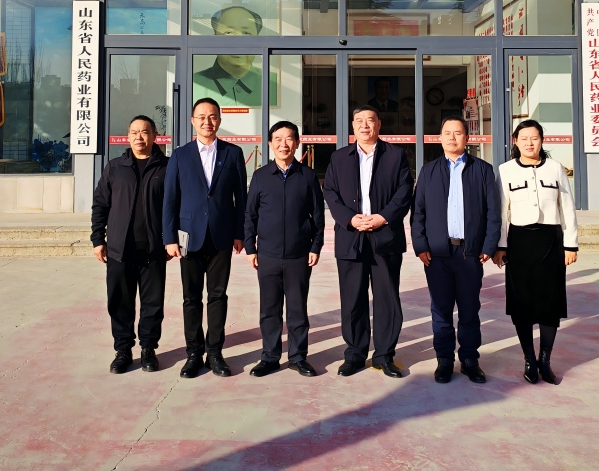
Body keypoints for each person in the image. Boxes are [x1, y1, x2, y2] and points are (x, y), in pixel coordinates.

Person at [323, 106, 414, 378]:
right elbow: (330, 192)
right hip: (350, 237)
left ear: (379, 124)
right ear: (353, 126)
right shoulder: (339, 158)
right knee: (353, 299)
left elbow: (404, 191)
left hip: (384, 236)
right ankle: (354, 354)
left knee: (387, 299)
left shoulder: (395, 155)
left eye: (370, 120)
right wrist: (350, 219)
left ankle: (384, 356)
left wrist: (383, 217)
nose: (365, 125)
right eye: (359, 121)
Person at [412, 117, 501, 384]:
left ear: (467, 137)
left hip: (469, 253)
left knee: (469, 310)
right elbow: (418, 213)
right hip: (437, 254)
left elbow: (493, 213)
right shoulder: (428, 171)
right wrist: (420, 245)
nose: (452, 138)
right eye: (447, 133)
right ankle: (444, 360)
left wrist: (488, 246)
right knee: (440, 310)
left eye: (458, 133)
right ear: (439, 138)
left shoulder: (482, 170)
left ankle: (470, 359)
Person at [163, 97, 248, 379]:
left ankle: (215, 353)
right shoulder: (180, 155)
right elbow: (170, 200)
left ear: (219, 121)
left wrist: (240, 233)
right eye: (201, 117)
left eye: (212, 117)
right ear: (192, 121)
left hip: (222, 236)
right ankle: (193, 354)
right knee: (191, 298)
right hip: (188, 237)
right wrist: (169, 237)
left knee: (217, 295)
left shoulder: (233, 153)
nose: (207, 122)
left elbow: (241, 198)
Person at [493, 119, 578, 385]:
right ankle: (529, 359)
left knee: (550, 303)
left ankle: (545, 360)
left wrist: (570, 244)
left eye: (535, 138)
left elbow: (567, 207)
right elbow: (501, 212)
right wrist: (500, 246)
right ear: (515, 141)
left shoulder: (555, 168)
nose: (530, 143)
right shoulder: (505, 170)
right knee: (522, 305)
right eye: (524, 138)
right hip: (519, 243)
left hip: (551, 241)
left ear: (542, 140)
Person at [244, 120, 326, 378]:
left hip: (298, 255)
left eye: (289, 138)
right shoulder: (260, 177)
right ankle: (269, 357)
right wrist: (250, 248)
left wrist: (315, 246)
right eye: (277, 139)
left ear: (297, 143)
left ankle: (298, 357)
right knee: (269, 310)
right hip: (267, 255)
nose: (283, 144)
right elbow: (250, 216)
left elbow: (318, 216)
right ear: (270, 144)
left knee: (297, 310)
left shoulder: (307, 176)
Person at [90, 115, 169, 374]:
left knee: (152, 304)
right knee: (120, 302)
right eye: (134, 132)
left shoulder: (167, 168)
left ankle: (148, 349)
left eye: (145, 132)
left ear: (154, 136)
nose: (139, 137)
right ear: (128, 136)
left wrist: (172, 240)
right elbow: (100, 205)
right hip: (119, 249)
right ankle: (123, 350)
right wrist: (98, 239)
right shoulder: (115, 167)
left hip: (153, 250)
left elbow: (175, 207)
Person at [192, 6, 269, 108]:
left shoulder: (271, 82)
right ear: (215, 39)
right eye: (229, 33)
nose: (238, 44)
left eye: (246, 33)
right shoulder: (193, 83)